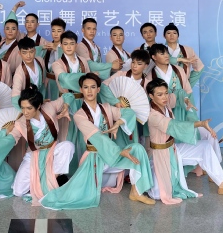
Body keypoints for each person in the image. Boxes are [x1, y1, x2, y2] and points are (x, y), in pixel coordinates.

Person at [40, 73, 155, 209]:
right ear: (81, 90)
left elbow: (128, 112)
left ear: (98, 89)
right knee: (77, 195)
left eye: (93, 87)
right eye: (86, 87)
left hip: (111, 156)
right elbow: (97, 137)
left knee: (138, 149)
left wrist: (119, 122)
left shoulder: (107, 108)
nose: (89, 91)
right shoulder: (79, 115)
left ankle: (136, 192)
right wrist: (119, 151)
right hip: (94, 157)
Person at [145, 79, 223, 204]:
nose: (165, 97)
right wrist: (200, 124)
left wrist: (186, 100)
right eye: (160, 94)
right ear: (151, 96)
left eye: (166, 93)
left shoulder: (165, 103)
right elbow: (175, 126)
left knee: (205, 146)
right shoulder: (153, 115)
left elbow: (179, 94)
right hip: (160, 155)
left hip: (172, 150)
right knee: (158, 193)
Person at [9, 85, 75, 206]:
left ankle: (51, 179)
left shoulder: (49, 107)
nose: (25, 112)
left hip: (52, 149)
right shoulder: (20, 122)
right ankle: (41, 183)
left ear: (39, 106)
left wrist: (66, 106)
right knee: (18, 191)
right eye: (22, 108)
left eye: (29, 108)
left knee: (68, 146)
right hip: (34, 154)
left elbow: (68, 95)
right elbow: (10, 139)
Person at [149, 43, 197, 123]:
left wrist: (191, 111)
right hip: (162, 112)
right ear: (154, 57)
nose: (166, 56)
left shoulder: (179, 70)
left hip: (180, 110)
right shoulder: (150, 75)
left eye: (167, 53)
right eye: (162, 54)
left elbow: (188, 91)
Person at [163, 22, 204, 88]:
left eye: (174, 33)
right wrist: (181, 59)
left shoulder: (188, 50)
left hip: (183, 88)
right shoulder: (160, 51)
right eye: (168, 33)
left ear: (178, 36)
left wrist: (188, 84)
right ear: (164, 36)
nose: (172, 35)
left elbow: (199, 67)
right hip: (164, 88)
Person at [12, 37, 48, 105]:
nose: (28, 56)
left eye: (31, 52)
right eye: (24, 53)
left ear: (35, 51)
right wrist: (24, 109)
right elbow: (15, 96)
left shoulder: (40, 61)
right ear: (19, 53)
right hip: (28, 104)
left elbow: (43, 82)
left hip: (41, 100)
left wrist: (41, 100)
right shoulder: (19, 73)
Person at [0, 2, 22, 73]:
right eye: (7, 28)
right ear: (4, 30)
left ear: (17, 31)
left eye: (13, 29)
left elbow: (19, 70)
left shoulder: (19, 48)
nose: (10, 31)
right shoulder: (0, 42)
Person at [42, 17, 66, 101]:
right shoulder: (47, 45)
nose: (55, 34)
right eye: (53, 31)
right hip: (48, 80)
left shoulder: (66, 48)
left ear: (64, 32)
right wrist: (42, 48)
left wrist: (57, 48)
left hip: (60, 82)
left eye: (59, 31)